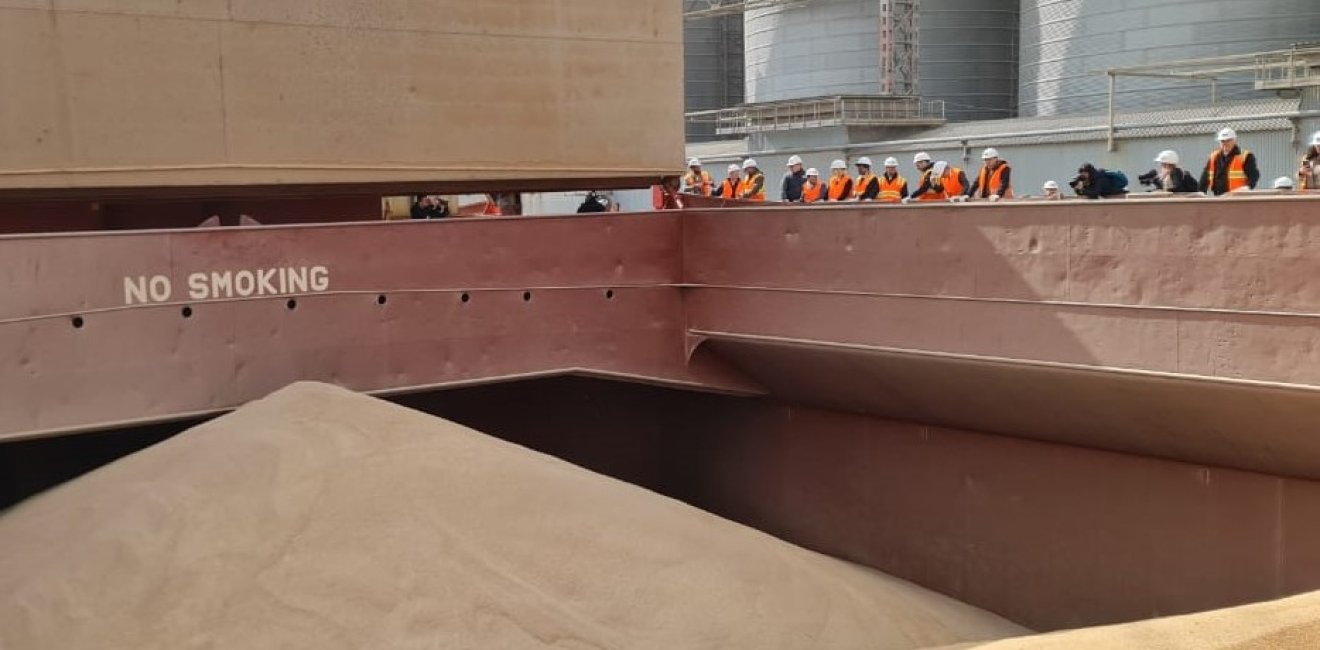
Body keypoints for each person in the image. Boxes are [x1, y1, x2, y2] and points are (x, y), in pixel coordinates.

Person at [1199, 127, 1260, 195]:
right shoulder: (1214, 157)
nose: (1225, 143)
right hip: (1218, 196)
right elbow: (1205, 176)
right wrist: (1201, 192)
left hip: (1237, 197)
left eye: (1228, 140)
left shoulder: (1246, 156)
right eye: (1222, 141)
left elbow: (1254, 176)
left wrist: (1247, 188)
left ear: (1234, 140)